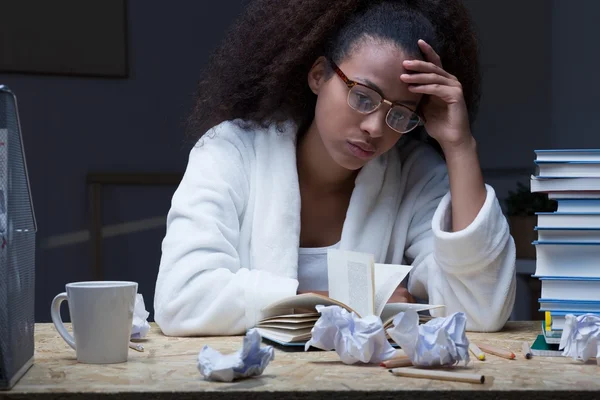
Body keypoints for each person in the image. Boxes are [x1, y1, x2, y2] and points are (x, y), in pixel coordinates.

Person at [153, 0, 516, 336]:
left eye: (400, 113)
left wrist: (460, 145)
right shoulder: (230, 150)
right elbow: (181, 298)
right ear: (318, 76)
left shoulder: (413, 176)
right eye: (362, 96)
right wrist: (343, 304)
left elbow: (480, 309)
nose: (376, 127)